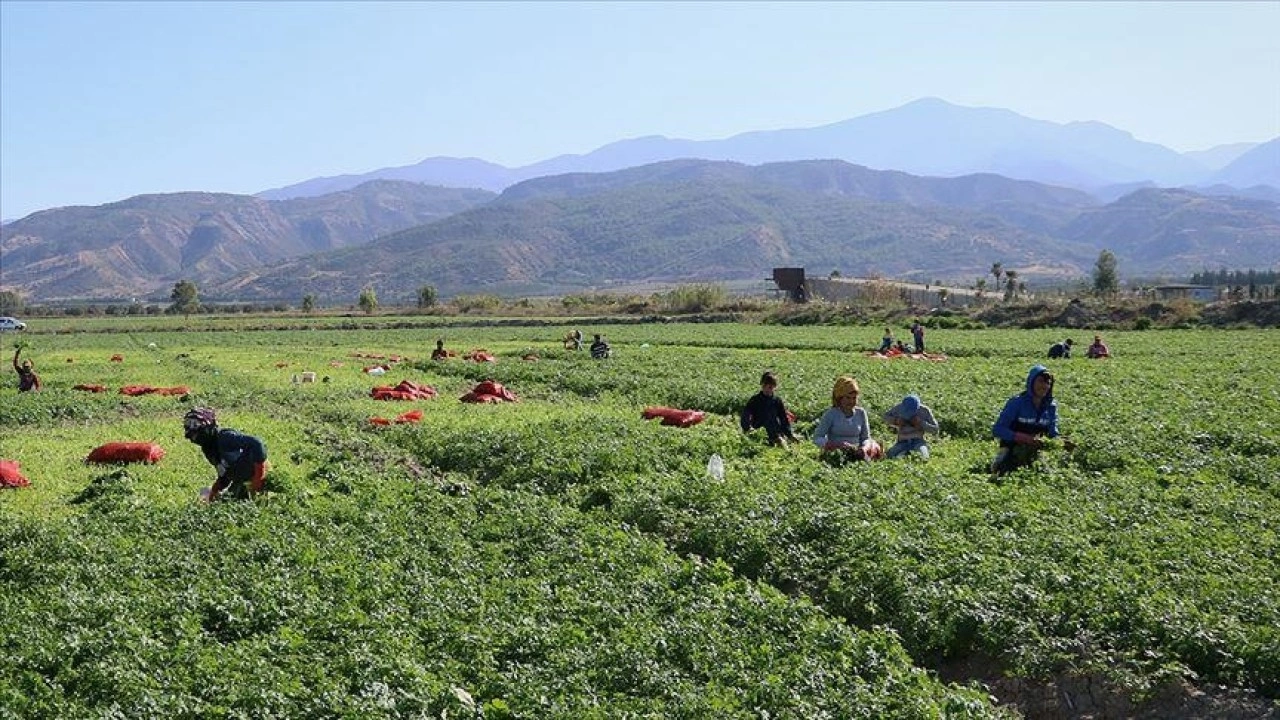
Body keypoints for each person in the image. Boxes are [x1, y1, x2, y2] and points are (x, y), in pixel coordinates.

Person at [991, 365, 1075, 476]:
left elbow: (1052, 433)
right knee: (1004, 471)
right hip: (1013, 446)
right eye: (1040, 381)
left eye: (1048, 383)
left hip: (1037, 449)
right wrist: (1024, 438)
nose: (1044, 386)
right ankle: (1001, 458)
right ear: (1031, 382)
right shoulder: (1017, 402)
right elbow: (998, 429)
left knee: (1044, 473)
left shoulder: (1051, 406)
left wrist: (1061, 442)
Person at [183, 407, 269, 501]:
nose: (192, 432)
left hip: (258, 477)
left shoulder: (225, 437)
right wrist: (214, 491)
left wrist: (259, 477)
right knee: (225, 501)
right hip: (242, 482)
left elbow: (257, 444)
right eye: (188, 425)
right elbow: (225, 473)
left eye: (196, 424)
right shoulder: (208, 449)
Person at [813, 376, 881, 462]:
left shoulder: (861, 413)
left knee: (873, 447)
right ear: (840, 398)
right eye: (848, 398)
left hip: (857, 452)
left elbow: (866, 438)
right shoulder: (831, 414)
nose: (851, 401)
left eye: (854, 398)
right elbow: (817, 438)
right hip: (836, 453)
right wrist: (836, 445)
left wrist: (864, 448)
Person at [740, 371, 798, 447]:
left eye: (770, 387)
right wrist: (748, 428)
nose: (767, 389)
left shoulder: (777, 401)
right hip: (759, 432)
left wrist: (789, 434)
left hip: (775, 432)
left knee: (782, 443)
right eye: (764, 386)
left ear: (774, 387)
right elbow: (745, 415)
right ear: (762, 385)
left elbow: (783, 419)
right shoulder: (755, 400)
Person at [883, 393, 939, 459]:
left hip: (918, 441)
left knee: (924, 458)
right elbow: (885, 417)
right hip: (902, 441)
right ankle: (903, 455)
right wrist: (896, 421)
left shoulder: (925, 410)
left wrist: (921, 423)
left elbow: (935, 430)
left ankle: (906, 455)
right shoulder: (898, 408)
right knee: (888, 456)